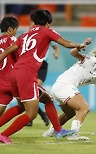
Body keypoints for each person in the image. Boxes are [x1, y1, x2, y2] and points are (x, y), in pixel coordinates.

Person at [0, 9, 86, 144]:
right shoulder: (46, 31)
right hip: (27, 73)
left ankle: (58, 130)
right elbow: (66, 44)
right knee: (31, 114)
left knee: (46, 99)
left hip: (15, 73)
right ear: (47, 23)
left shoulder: (24, 35)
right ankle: (4, 135)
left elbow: (8, 50)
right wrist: (79, 45)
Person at [42, 39, 96, 140]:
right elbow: (73, 52)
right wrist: (82, 45)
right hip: (64, 85)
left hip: (59, 87)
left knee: (70, 113)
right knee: (84, 108)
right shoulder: (90, 60)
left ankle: (51, 131)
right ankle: (74, 134)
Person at [27, 42, 60, 126]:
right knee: (30, 92)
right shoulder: (30, 35)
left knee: (35, 90)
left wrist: (56, 53)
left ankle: (35, 116)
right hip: (31, 63)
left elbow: (56, 47)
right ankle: (40, 115)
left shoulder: (47, 34)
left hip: (42, 65)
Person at [0, 16, 19, 117]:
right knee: (46, 98)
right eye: (16, 29)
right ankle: (57, 129)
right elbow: (19, 58)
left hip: (1, 82)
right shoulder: (12, 40)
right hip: (13, 80)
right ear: (10, 29)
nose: (16, 32)